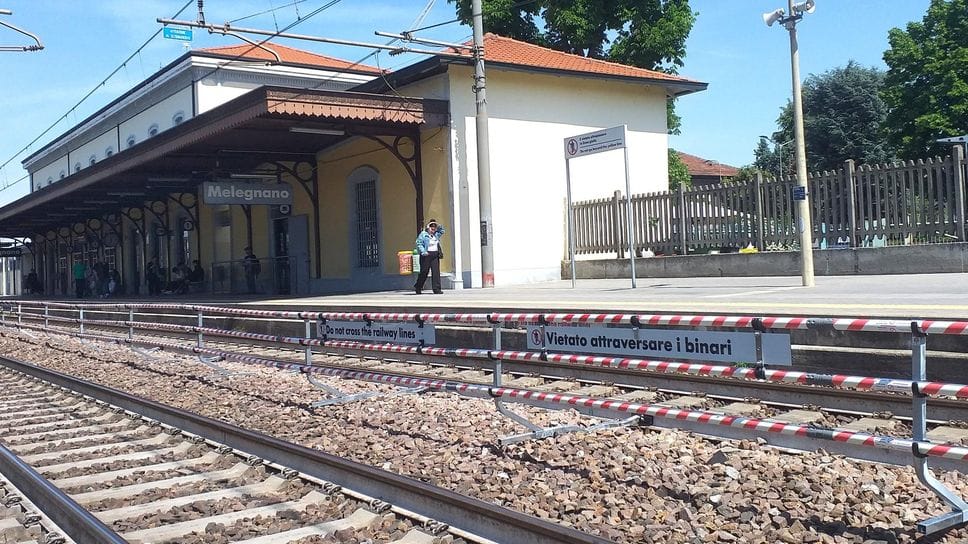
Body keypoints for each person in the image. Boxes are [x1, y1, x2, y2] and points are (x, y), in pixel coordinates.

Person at [413, 219, 445, 295]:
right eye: (431, 227)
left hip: (435, 255)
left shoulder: (436, 234)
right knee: (424, 272)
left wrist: (438, 225)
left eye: (434, 227)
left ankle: (437, 289)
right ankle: (418, 286)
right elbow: (419, 243)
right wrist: (423, 251)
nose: (433, 229)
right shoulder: (423, 234)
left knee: (436, 272)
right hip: (426, 255)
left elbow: (442, 231)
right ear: (428, 227)